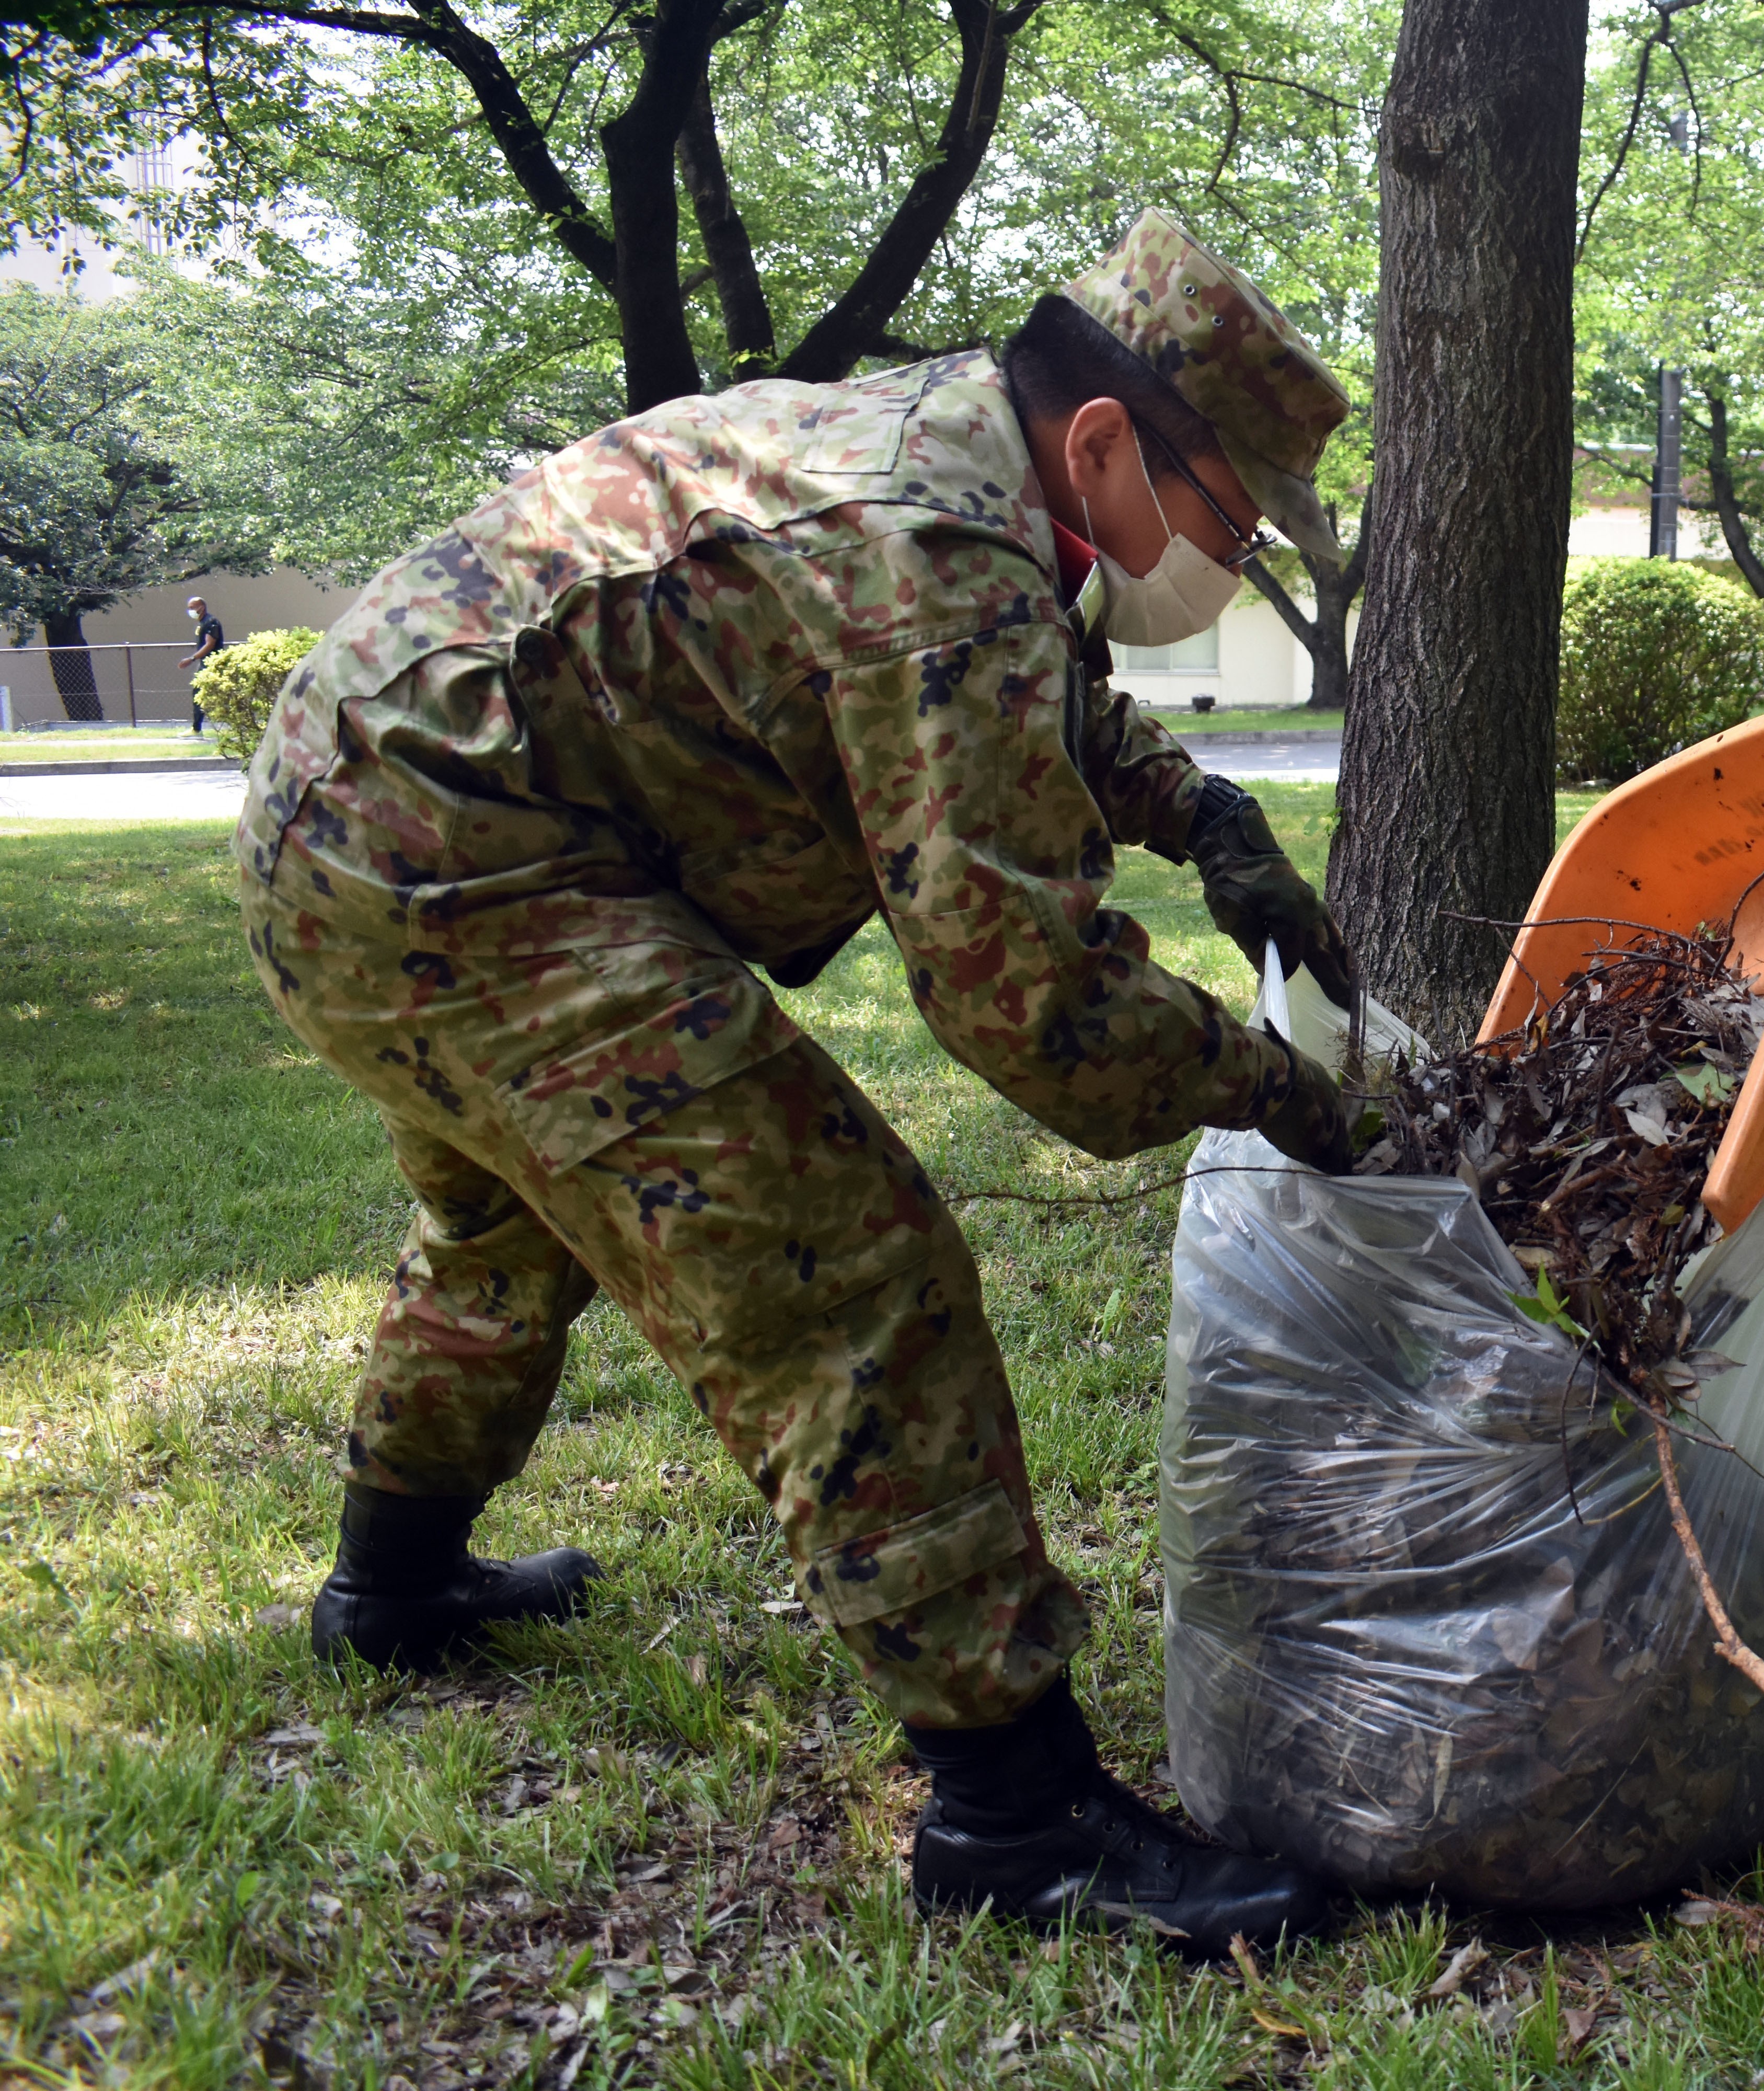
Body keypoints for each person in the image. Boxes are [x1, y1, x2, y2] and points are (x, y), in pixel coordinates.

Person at [239, 210, 1364, 1950]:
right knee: (840, 1263)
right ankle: (1017, 1823)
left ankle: (390, 1591)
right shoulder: (941, 545)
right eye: (1234, 520)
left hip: (357, 814)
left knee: (503, 1232)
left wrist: (1199, 811)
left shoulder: (942, 454)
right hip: (454, 861)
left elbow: (1027, 683)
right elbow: (1032, 1007)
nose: (1236, 560)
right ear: (1102, 441)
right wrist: (1289, 1090)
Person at [181, 596, 225, 733]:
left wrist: (192, 659)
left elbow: (210, 644)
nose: (190, 611)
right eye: (189, 608)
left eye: (193, 608)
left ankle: (197, 729)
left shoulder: (211, 622)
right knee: (199, 694)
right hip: (204, 662)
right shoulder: (201, 624)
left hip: (212, 663)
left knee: (202, 693)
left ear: (202, 607)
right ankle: (196, 728)